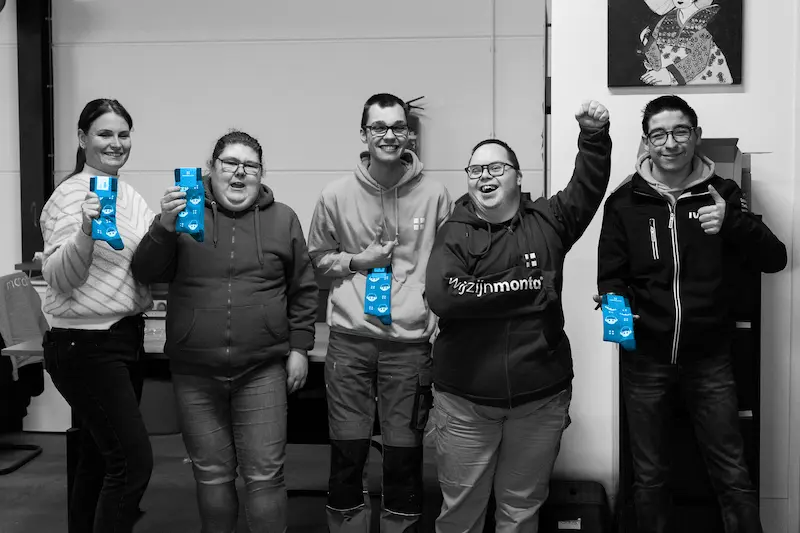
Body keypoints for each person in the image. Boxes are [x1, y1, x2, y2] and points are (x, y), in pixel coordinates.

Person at [596, 95, 786, 533]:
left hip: (710, 357)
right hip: (646, 359)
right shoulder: (625, 201)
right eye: (659, 134)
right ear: (646, 141)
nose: (670, 143)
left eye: (680, 131)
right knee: (649, 477)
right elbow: (611, 276)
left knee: (732, 473)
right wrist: (616, 310)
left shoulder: (724, 193)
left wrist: (732, 222)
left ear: (696, 136)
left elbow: (775, 258)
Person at [424, 101, 612, 532]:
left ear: (518, 176)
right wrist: (530, 286)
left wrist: (593, 138)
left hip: (539, 401)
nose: (484, 176)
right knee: (460, 515)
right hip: (465, 404)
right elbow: (444, 296)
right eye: (475, 170)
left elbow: (587, 187)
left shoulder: (550, 221)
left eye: (496, 167)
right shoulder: (454, 231)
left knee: (521, 510)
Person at [131, 131, 318, 533]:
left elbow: (303, 289)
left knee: (265, 476)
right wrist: (164, 225)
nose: (239, 173)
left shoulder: (283, 218)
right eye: (229, 163)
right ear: (210, 169)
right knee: (212, 474)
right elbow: (145, 271)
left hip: (262, 370)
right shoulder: (182, 214)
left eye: (250, 166)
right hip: (194, 372)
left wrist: (300, 348)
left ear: (261, 173)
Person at [307, 93, 452, 532]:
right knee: (347, 456)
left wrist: (436, 313)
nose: (389, 135)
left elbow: (448, 266)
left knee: (404, 458)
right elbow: (318, 260)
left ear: (409, 134)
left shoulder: (436, 195)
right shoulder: (335, 194)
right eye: (378, 127)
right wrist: (358, 261)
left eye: (397, 127)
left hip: (409, 344)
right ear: (364, 134)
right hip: (350, 341)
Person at [40, 98, 155, 533]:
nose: (116, 143)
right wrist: (85, 232)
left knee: (98, 459)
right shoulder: (71, 195)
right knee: (132, 462)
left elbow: (146, 262)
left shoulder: (129, 195)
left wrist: (168, 225)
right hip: (85, 345)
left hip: (124, 338)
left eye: (123, 134)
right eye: (105, 134)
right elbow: (59, 278)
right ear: (82, 138)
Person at [639, 0, 732, 86]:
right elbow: (655, 43)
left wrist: (669, 75)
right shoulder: (667, 18)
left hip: (700, 73)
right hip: (668, 70)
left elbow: (699, 58)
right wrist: (647, 41)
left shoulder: (702, 19)